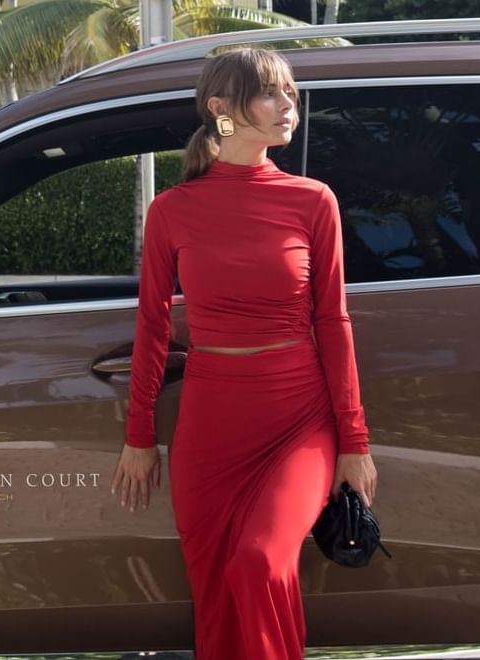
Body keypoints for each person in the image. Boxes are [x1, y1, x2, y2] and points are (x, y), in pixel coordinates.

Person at [110, 47, 379, 659]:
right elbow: (153, 327)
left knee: (259, 563)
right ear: (221, 108)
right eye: (270, 93)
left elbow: (333, 322)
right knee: (216, 590)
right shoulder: (172, 211)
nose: (289, 106)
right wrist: (139, 435)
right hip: (210, 429)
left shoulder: (313, 200)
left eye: (291, 93)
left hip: (298, 419)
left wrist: (354, 442)